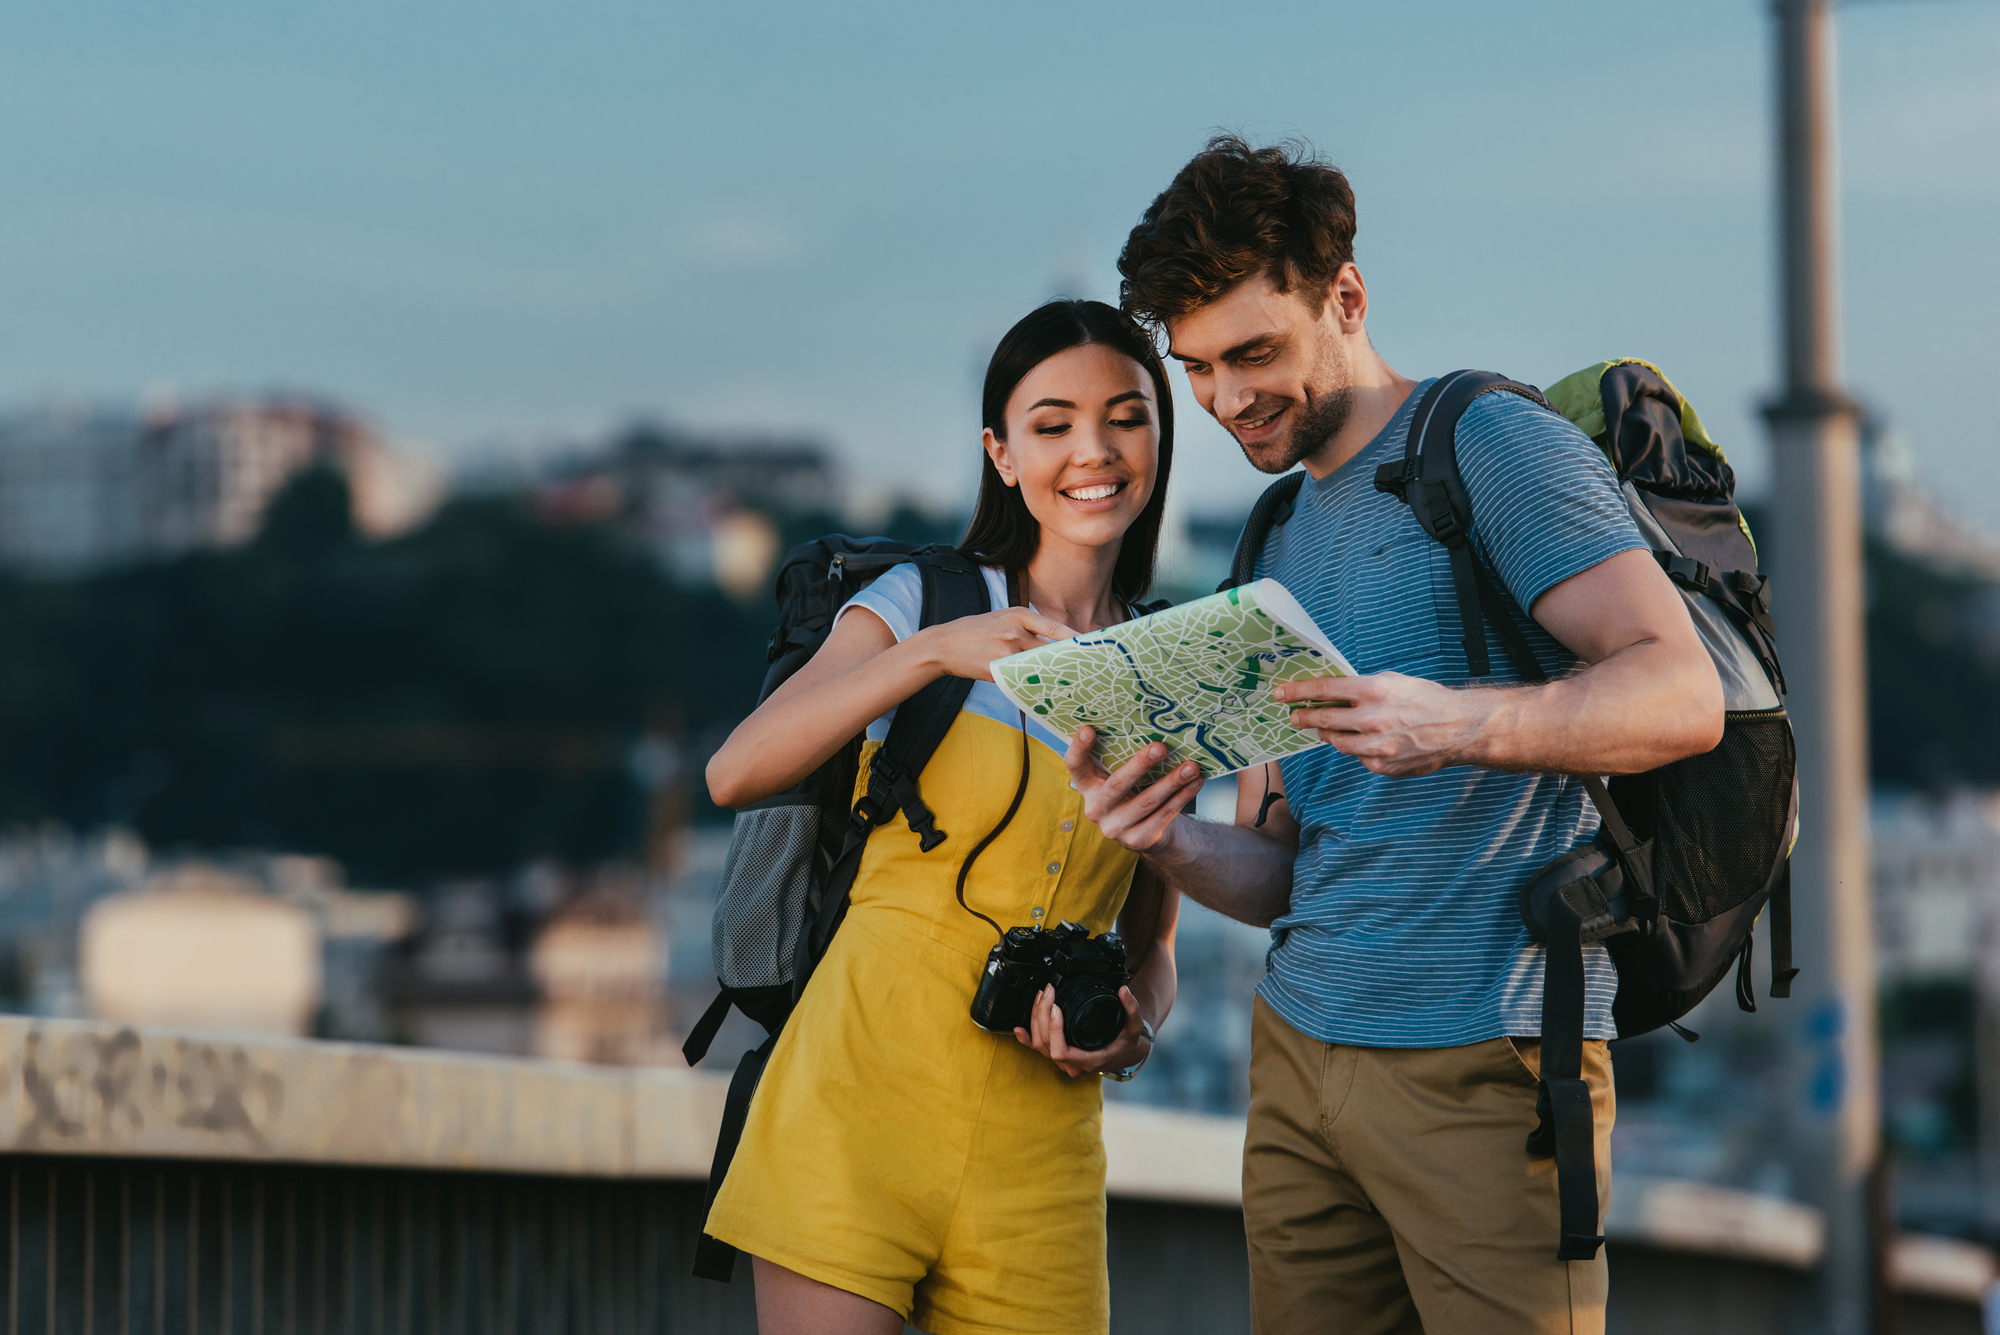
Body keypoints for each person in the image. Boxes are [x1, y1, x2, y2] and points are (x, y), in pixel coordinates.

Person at [1070, 137, 1726, 1334]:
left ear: (1347, 298)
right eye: (1199, 367)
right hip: (1296, 1056)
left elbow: (1679, 696)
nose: (1224, 400)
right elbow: (1278, 869)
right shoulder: (1267, 540)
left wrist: (1452, 724)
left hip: (1488, 1062)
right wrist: (1164, 841)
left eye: (1254, 353)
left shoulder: (1487, 445)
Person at [702, 299, 1183, 1335]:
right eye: (1051, 425)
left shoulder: (1165, 675)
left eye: (1125, 417)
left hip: (1039, 1157)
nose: (1090, 452)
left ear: (1158, 438)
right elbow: (735, 771)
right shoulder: (922, 598)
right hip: (849, 1107)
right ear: (1000, 455)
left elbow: (1154, 948)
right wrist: (928, 652)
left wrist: (1130, 1029)